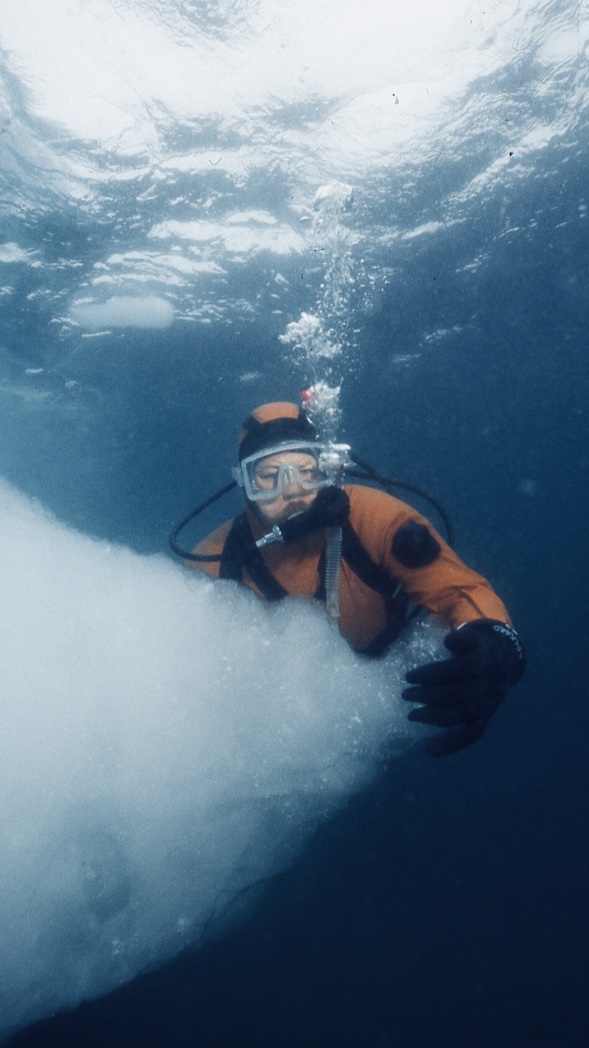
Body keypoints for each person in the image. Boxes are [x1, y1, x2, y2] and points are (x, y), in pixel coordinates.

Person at [185, 400, 526, 756]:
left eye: (307, 470)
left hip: (396, 683)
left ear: (327, 468)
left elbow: (457, 589)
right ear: (243, 482)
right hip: (290, 730)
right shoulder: (215, 560)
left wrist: (496, 640)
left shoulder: (372, 516)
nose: (293, 490)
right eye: (269, 476)